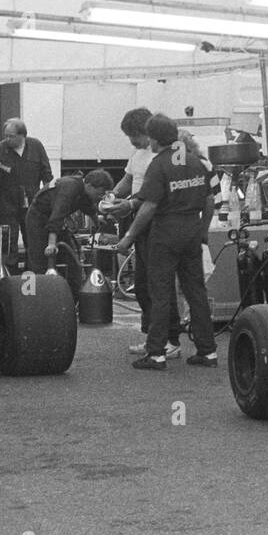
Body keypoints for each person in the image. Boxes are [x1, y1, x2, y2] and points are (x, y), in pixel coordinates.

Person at [112, 113, 217, 371]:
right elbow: (210, 201)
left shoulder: (159, 164)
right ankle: (208, 350)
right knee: (196, 292)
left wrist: (128, 237)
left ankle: (156, 353)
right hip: (192, 229)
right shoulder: (197, 162)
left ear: (154, 137)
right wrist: (202, 232)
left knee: (160, 292)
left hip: (166, 231)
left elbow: (149, 206)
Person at [102, 108, 183, 359]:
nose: (132, 141)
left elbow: (151, 196)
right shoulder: (138, 154)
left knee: (159, 284)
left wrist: (129, 205)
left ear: (147, 132)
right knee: (143, 285)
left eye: (134, 136)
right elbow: (128, 180)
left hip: (154, 221)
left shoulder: (161, 157)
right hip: (138, 219)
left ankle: (171, 339)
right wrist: (111, 197)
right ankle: (154, 337)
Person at [24, 169, 115, 274]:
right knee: (40, 258)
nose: (99, 197)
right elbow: (57, 215)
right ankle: (42, 285)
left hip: (56, 220)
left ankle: (73, 287)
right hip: (38, 219)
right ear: (89, 186)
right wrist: (51, 244)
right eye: (99, 194)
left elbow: (88, 207)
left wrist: (97, 220)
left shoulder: (83, 190)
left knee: (70, 257)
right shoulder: (70, 188)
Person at [0, 118, 52, 252]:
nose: (8, 139)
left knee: (33, 238)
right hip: (8, 202)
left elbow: (47, 175)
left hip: (33, 201)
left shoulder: (36, 146)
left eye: (11, 136)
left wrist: (49, 201)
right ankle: (9, 270)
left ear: (23, 135)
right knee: (9, 239)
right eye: (6, 136)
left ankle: (34, 269)